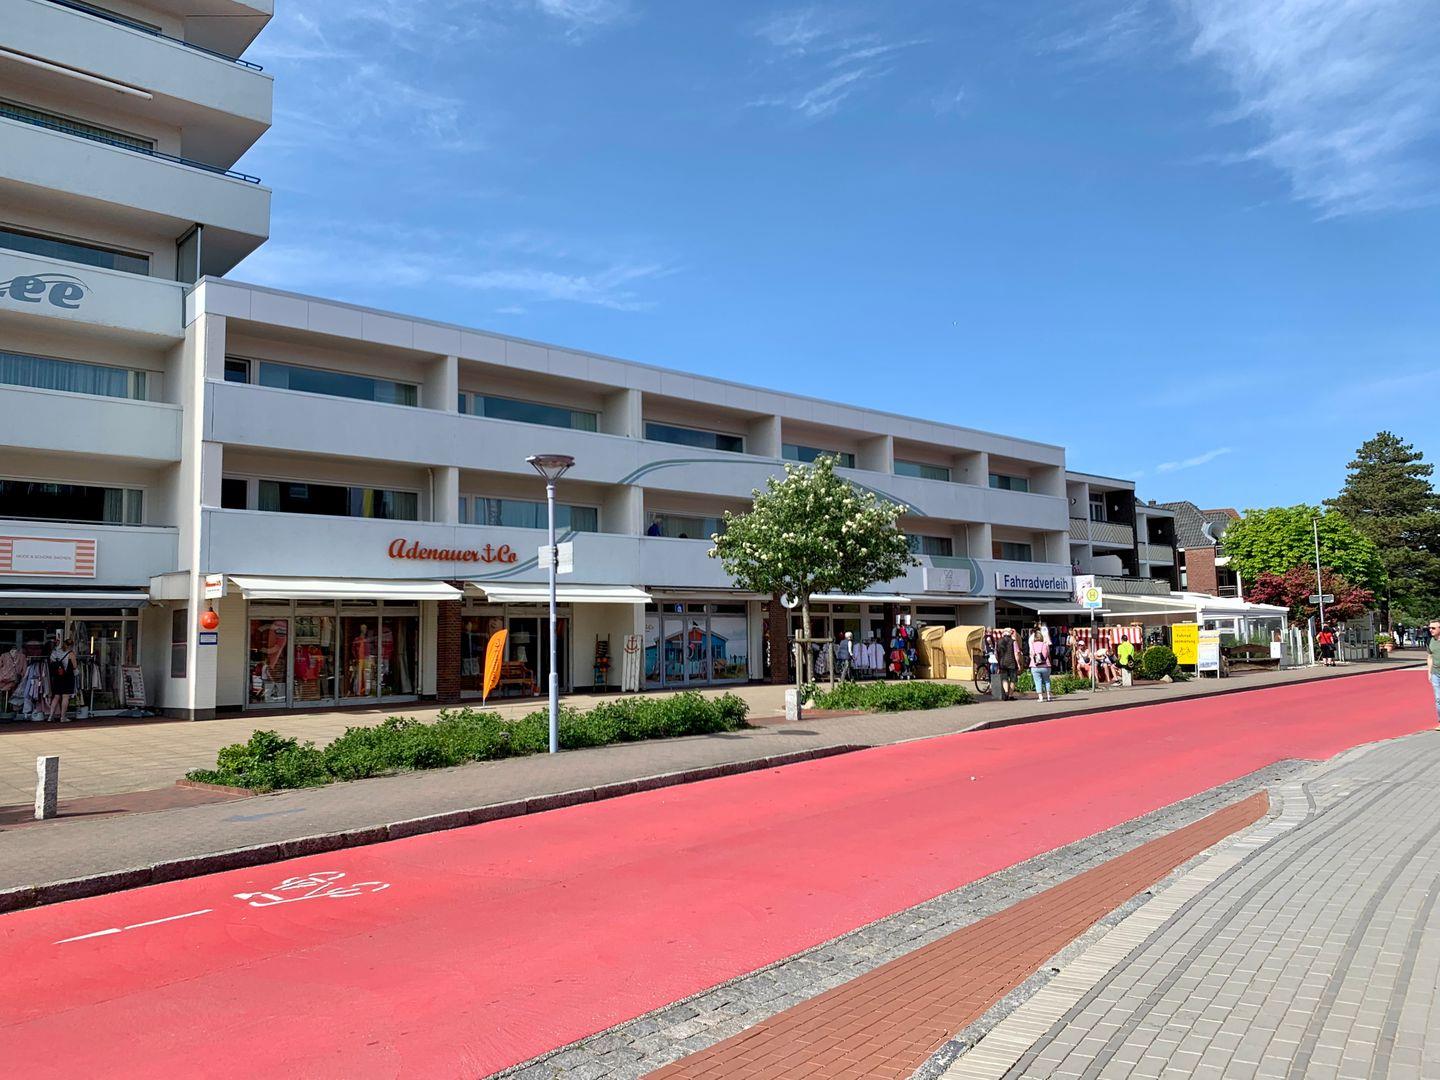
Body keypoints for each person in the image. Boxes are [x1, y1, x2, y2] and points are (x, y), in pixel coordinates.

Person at [47, 635, 77, 723]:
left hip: (57, 676)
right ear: (71, 646)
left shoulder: (56, 652)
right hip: (67, 676)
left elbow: (51, 661)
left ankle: (50, 716)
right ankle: (62, 717)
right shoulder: (71, 654)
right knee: (65, 696)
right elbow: (75, 666)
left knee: (56, 696)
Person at [1030, 628, 1053, 702]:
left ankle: (1040, 697)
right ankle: (1049, 696)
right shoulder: (1045, 645)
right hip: (1046, 665)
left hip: (1035, 666)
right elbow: (1048, 654)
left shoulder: (1032, 645)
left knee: (1037, 681)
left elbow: (1031, 655)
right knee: (1047, 680)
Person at [998, 628, 1020, 700]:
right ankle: (1010, 695)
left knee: (1004, 678)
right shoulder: (1013, 642)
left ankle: (1006, 692)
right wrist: (1018, 663)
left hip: (1002, 663)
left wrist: (999, 661)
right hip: (1012, 663)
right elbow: (1016, 654)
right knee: (1013, 679)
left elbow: (996, 653)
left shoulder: (999, 641)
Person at [1428, 619, 1440, 730]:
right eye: (1430, 628)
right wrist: (1429, 672)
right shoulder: (1430, 641)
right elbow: (1430, 657)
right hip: (1436, 673)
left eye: (1433, 628)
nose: (1431, 630)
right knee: (1438, 698)